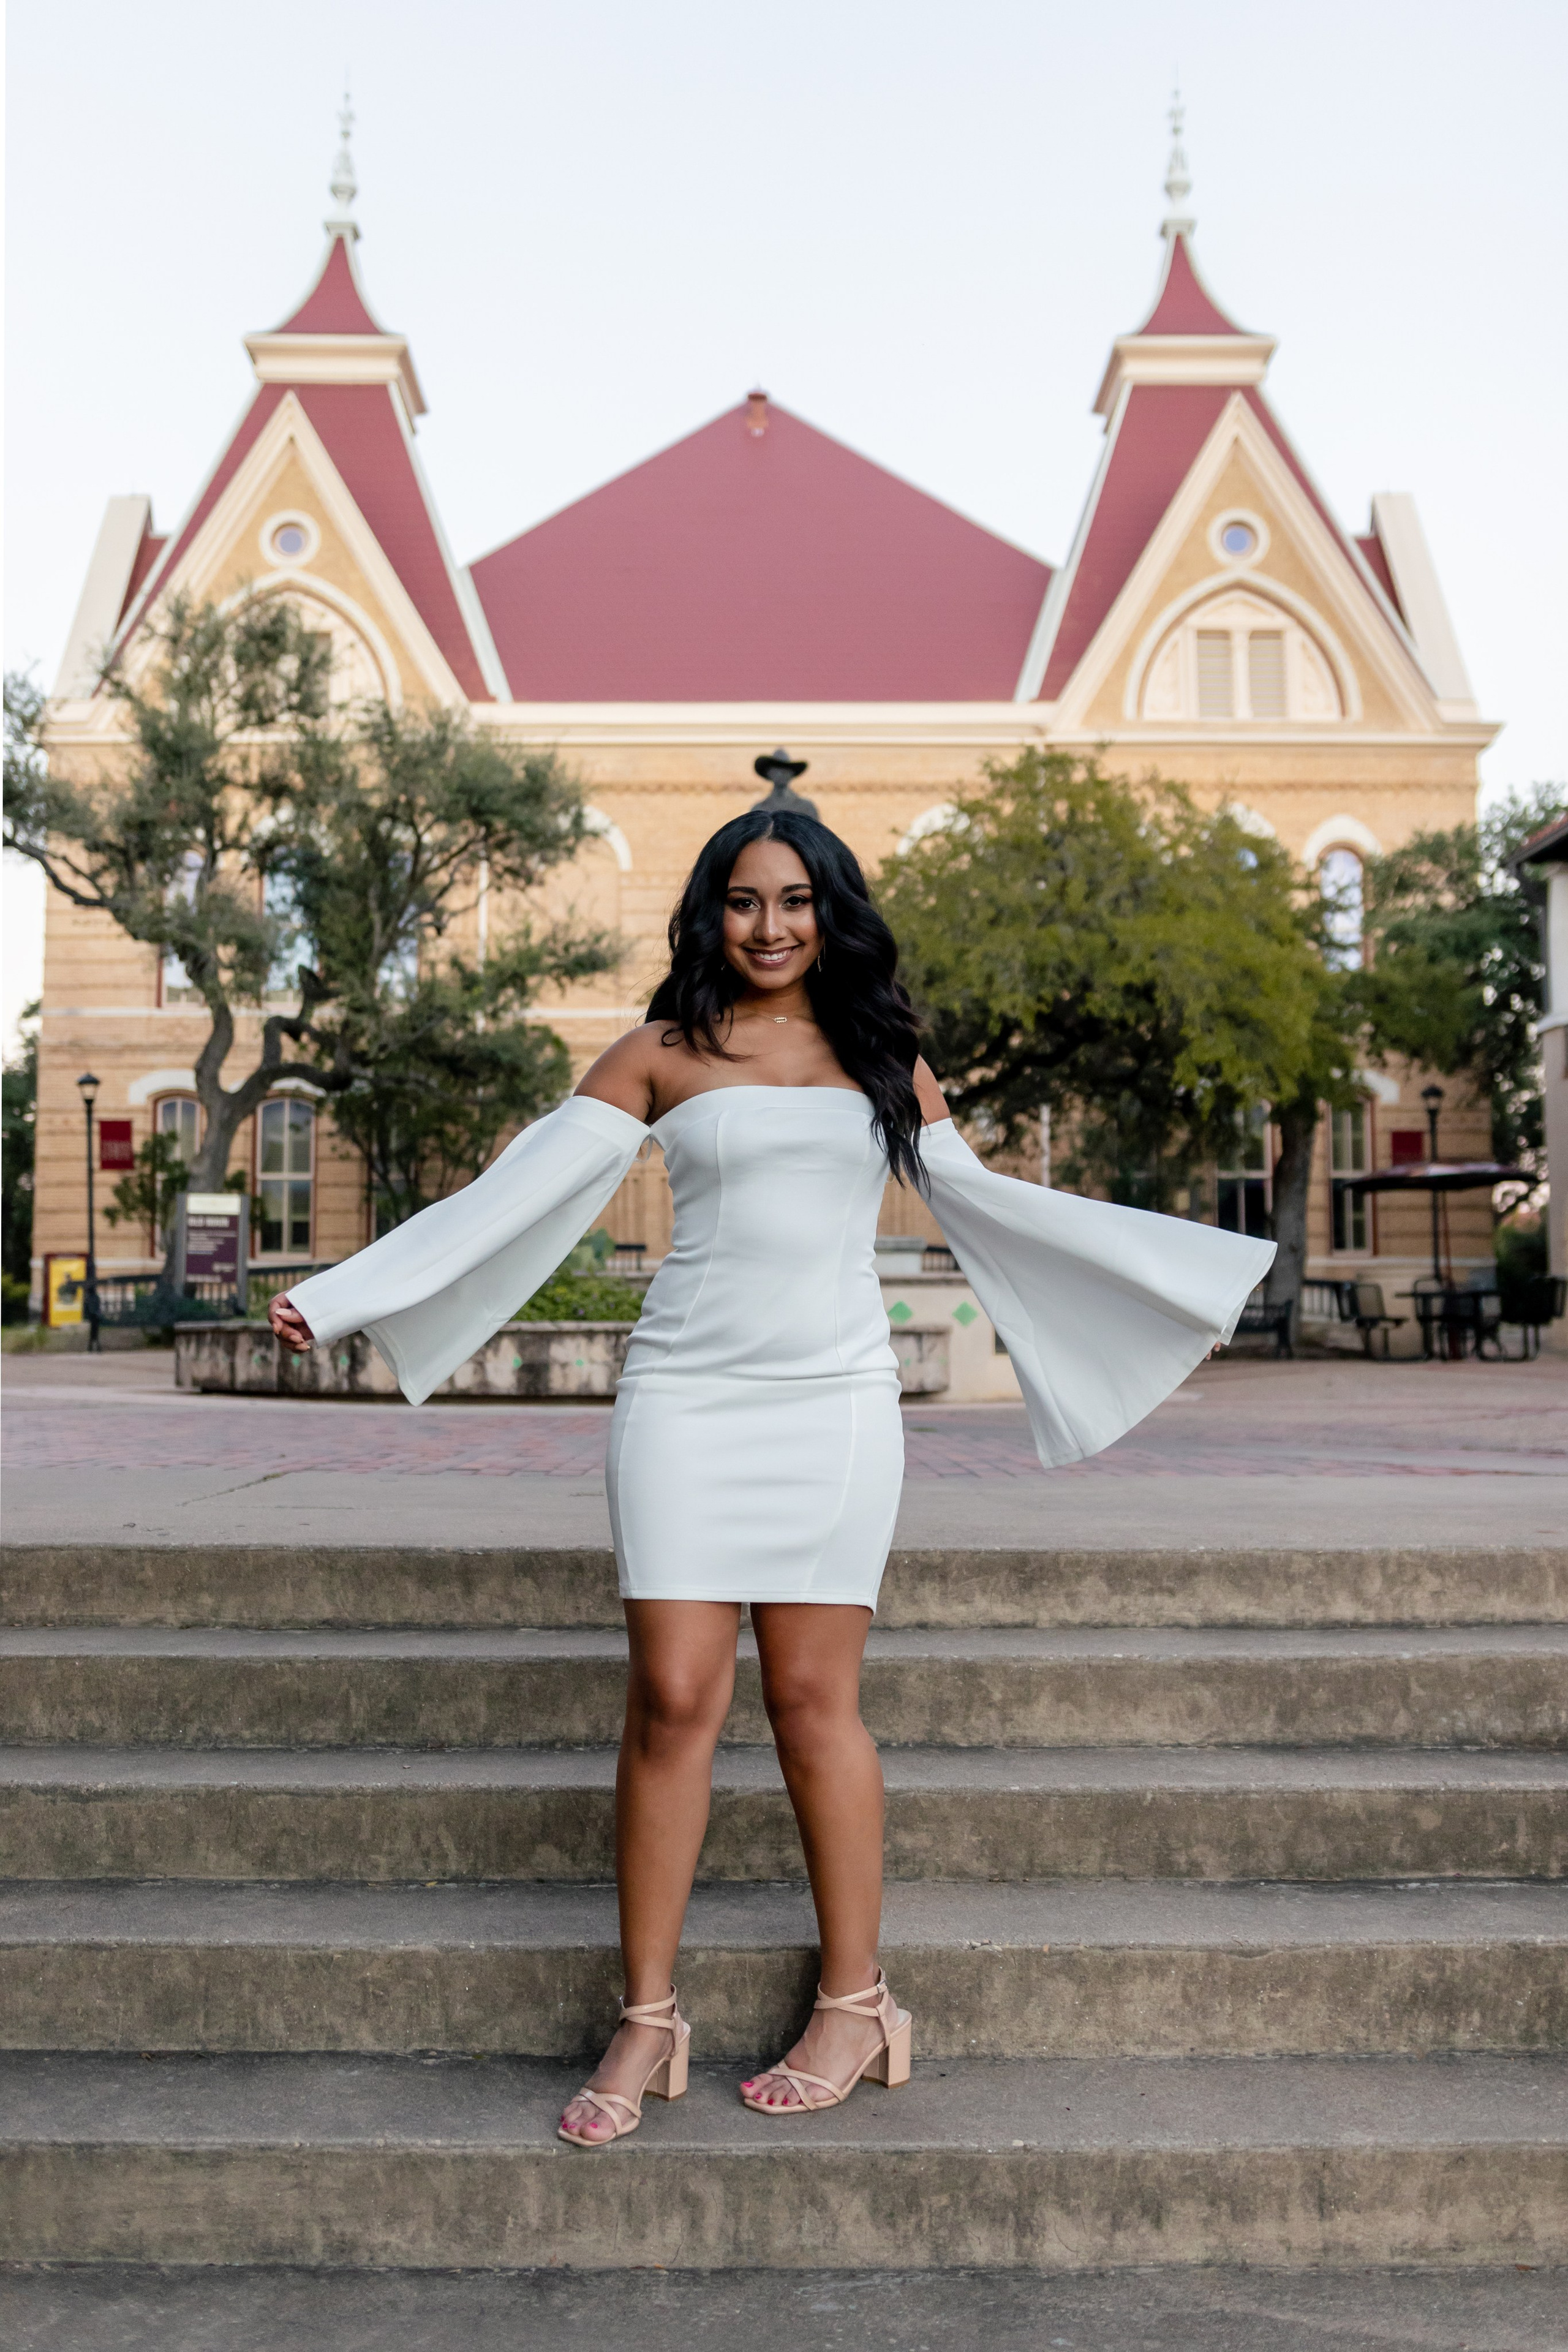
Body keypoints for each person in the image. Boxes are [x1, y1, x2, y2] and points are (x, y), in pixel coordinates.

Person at [270, 807, 1273, 2148]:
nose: (768, 925)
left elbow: (989, 1208)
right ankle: (647, 2016)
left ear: (830, 911)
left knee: (813, 1701)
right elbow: (515, 1195)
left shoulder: (882, 1059)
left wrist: (1170, 1280)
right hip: (685, 1395)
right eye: (742, 902)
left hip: (835, 1403)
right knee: (673, 1695)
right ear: (709, 913)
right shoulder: (659, 1054)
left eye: (793, 900)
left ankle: (855, 2001)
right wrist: (350, 1293)